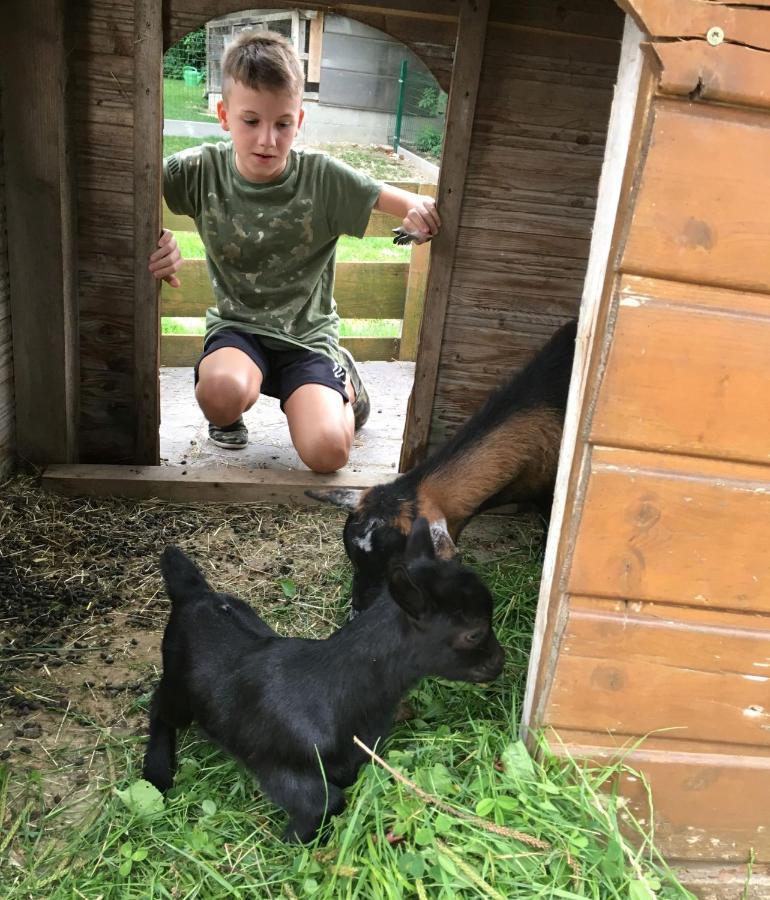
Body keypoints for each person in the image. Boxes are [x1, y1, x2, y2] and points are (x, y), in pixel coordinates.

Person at [149, 30, 440, 473]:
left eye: (282, 124)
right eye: (251, 121)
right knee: (220, 392)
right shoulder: (198, 171)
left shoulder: (321, 179)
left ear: (298, 121)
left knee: (327, 454)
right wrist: (155, 241)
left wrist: (421, 213)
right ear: (224, 115)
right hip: (238, 331)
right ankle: (226, 416)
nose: (267, 139)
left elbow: (404, 202)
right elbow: (128, 190)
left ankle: (347, 389)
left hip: (307, 340)